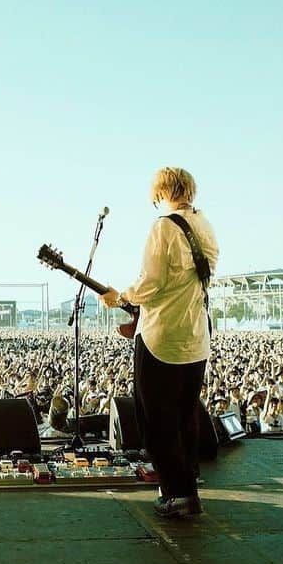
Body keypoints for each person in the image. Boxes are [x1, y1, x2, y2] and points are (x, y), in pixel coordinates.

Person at [101, 166, 219, 519]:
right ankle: (189, 487)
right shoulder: (205, 226)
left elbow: (151, 283)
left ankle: (176, 495)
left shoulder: (163, 227)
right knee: (185, 417)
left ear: (160, 192)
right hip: (195, 337)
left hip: (161, 337)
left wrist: (121, 295)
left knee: (156, 420)